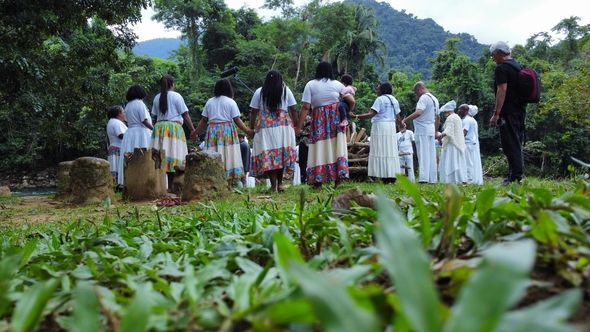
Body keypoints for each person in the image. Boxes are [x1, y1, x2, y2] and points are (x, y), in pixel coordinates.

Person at [295, 62, 349, 187]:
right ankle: (338, 180)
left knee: (318, 147)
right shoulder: (338, 85)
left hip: (318, 118)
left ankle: (317, 180)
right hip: (335, 119)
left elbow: (305, 107)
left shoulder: (311, 84)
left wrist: (299, 126)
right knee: (336, 146)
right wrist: (348, 111)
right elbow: (350, 99)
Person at [194, 79, 254, 189]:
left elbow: (203, 120)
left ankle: (213, 183)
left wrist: (195, 133)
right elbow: (237, 120)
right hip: (226, 130)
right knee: (228, 153)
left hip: (212, 130)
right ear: (229, 89)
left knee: (213, 153)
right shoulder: (231, 102)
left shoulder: (210, 102)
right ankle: (229, 184)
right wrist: (248, 131)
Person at [249, 70, 298, 193]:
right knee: (281, 154)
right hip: (283, 126)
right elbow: (293, 109)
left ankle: (273, 185)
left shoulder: (259, 92)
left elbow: (253, 112)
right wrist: (296, 125)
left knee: (269, 155)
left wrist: (251, 128)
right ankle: (280, 184)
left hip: (266, 126)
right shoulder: (286, 91)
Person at [489, 41, 527, 185]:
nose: (492, 58)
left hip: (508, 112)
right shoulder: (518, 66)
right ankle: (513, 175)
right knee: (516, 142)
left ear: (499, 53)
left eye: (493, 55)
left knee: (510, 144)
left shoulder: (502, 69)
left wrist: (496, 113)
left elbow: (502, 90)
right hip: (520, 111)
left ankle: (515, 177)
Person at [151, 75, 196, 190]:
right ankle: (172, 186)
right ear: (172, 84)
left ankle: (161, 186)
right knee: (174, 156)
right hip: (173, 129)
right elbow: (185, 114)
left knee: (160, 158)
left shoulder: (156, 97)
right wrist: (192, 130)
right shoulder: (177, 96)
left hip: (159, 128)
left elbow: (155, 115)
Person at [353, 82, 403, 183]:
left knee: (379, 149)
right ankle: (391, 176)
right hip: (391, 127)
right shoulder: (394, 100)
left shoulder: (380, 99)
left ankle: (378, 174)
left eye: (378, 89)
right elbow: (398, 118)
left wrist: (356, 116)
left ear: (383, 90)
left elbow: (371, 114)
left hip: (380, 126)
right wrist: (401, 125)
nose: (377, 91)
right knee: (390, 150)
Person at [402, 81, 440, 183]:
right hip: (431, 129)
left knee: (423, 154)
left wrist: (404, 120)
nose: (416, 95)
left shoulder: (423, 98)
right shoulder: (435, 99)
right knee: (431, 154)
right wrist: (436, 131)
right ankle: (433, 178)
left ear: (419, 89)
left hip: (423, 129)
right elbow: (438, 118)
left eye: (416, 92)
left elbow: (418, 112)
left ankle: (424, 178)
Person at [118, 85, 154, 186]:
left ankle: (130, 180)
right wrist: (153, 129)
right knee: (143, 156)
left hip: (130, 133)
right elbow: (144, 120)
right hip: (141, 133)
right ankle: (144, 179)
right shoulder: (140, 103)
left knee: (130, 157)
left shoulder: (128, 105)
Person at [436, 101, 467, 183]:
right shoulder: (457, 117)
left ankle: (451, 180)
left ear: (448, 111)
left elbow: (448, 131)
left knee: (451, 162)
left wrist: (439, 135)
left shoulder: (451, 118)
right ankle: (459, 179)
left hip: (452, 143)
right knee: (457, 161)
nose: (445, 114)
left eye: (445, 112)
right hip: (457, 143)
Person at [459, 104, 483, 184]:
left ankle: (469, 180)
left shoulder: (467, 120)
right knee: (471, 161)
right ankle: (472, 179)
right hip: (471, 144)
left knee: (468, 162)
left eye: (461, 109)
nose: (459, 111)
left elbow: (464, 132)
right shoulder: (472, 120)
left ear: (466, 111)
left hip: (468, 143)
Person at [106, 105, 127, 186]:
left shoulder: (111, 122)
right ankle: (119, 185)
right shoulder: (117, 122)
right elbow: (121, 135)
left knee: (114, 167)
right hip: (118, 148)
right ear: (119, 114)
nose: (124, 114)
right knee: (118, 167)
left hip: (113, 147)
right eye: (123, 112)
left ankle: (115, 185)